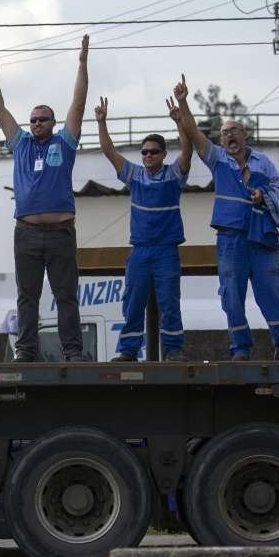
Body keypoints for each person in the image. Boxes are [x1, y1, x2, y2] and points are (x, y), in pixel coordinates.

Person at [173, 74, 279, 361]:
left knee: (272, 290)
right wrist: (184, 102)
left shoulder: (263, 162)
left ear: (245, 134)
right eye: (224, 133)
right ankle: (241, 349)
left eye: (234, 131)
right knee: (231, 294)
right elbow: (194, 133)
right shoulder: (217, 158)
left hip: (262, 238)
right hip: (231, 239)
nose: (229, 136)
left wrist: (263, 196)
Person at [0, 36, 90, 362]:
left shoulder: (65, 143)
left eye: (43, 119)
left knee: (66, 296)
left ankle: (72, 351)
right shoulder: (21, 144)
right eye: (33, 119)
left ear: (53, 124)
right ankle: (27, 351)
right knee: (27, 296)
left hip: (60, 233)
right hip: (26, 233)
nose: (37, 123)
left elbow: (79, 105)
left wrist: (82, 64)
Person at [95, 95, 192, 363]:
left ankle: (173, 351)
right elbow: (109, 152)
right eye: (145, 152)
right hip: (140, 252)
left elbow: (187, 151)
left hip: (166, 252)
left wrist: (179, 122)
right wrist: (102, 122)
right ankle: (128, 352)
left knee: (169, 304)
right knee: (133, 303)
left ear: (163, 154)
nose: (148, 155)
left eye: (153, 151)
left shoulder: (174, 175)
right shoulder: (134, 174)